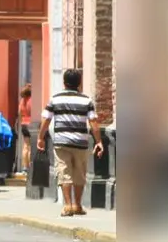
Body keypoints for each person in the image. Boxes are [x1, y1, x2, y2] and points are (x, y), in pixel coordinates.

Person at [37, 69, 104, 217]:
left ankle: (67, 205)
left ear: (64, 82)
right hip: (81, 142)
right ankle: (77, 205)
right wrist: (99, 141)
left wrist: (40, 137)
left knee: (64, 171)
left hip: (61, 141)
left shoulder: (55, 99)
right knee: (79, 173)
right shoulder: (86, 100)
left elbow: (46, 119)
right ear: (79, 83)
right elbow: (93, 121)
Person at [18, 83, 33, 173]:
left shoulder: (22, 101)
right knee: (31, 147)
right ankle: (30, 167)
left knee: (25, 146)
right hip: (30, 124)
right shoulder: (31, 100)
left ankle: (25, 167)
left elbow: (19, 113)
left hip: (23, 123)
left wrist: (21, 122)